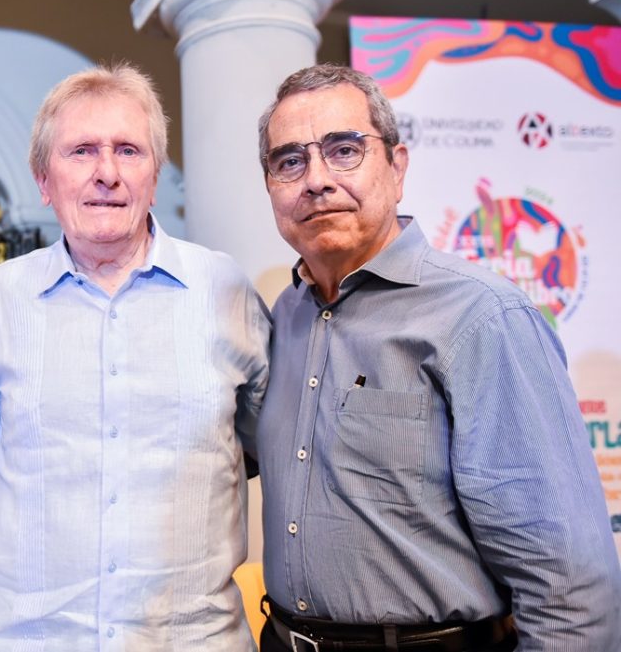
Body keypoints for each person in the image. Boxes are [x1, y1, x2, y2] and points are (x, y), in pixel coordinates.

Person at [255, 62, 621, 651]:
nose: (316, 180)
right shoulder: (286, 315)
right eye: (290, 161)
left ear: (396, 166)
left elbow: (569, 586)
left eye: (344, 150)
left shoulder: (481, 317)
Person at [0, 62, 271, 651]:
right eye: (82, 151)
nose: (106, 173)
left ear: (153, 178)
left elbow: (273, 445)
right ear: (43, 180)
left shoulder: (225, 290)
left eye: (128, 151)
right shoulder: (2, 298)